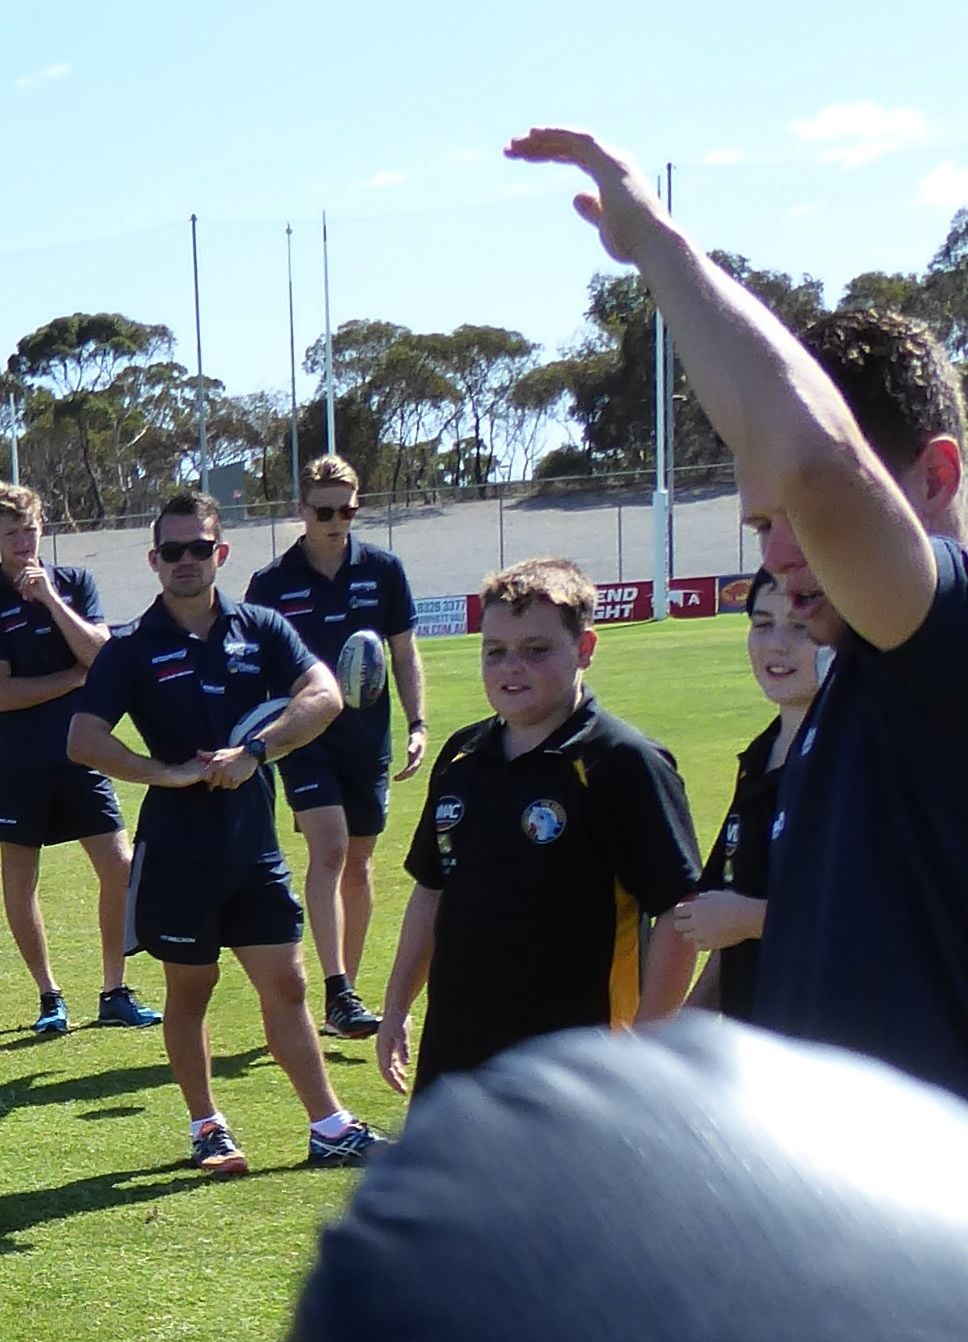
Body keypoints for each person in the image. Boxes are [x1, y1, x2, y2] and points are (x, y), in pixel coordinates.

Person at [508, 132, 968, 1101]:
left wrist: (655, 246)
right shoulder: (857, 688)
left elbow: (813, 459)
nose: (780, 558)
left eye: (806, 518)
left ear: (934, 477)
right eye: (763, 524)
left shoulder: (947, 640)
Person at [67, 496, 376, 1177]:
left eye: (199, 548)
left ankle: (329, 1126)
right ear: (154, 561)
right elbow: (83, 739)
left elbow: (324, 694)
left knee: (288, 984)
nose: (186, 561)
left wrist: (256, 752)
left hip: (253, 845)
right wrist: (167, 773)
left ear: (221, 553)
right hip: (179, 852)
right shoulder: (131, 648)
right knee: (191, 991)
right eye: (172, 551)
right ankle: (207, 1126)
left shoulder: (260, 628)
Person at [374, 560, 700, 1096]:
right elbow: (432, 889)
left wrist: (647, 1049)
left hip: (577, 1065)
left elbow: (679, 911)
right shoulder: (462, 756)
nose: (512, 668)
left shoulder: (621, 762)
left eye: (536, 650)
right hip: (457, 1053)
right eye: (495, 651)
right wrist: (396, 1007)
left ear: (585, 648)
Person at [0, 485, 154, 1036]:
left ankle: (114, 990)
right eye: (11, 533)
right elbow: (1, 693)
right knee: (20, 880)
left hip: (83, 752)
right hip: (17, 761)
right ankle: (49, 996)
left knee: (119, 866)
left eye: (30, 530)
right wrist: (71, 678)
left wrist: (50, 601)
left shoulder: (74, 584)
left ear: (42, 530)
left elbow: (101, 654)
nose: (22, 542)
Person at [243, 458, 428, 1041]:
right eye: (323, 511)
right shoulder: (272, 583)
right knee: (330, 850)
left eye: (346, 510)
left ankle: (342, 995)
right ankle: (338, 990)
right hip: (305, 739)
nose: (335, 521)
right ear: (301, 512)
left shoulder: (384, 570)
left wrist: (418, 722)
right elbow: (254, 666)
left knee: (359, 861)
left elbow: (404, 653)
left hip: (367, 739)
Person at [652, 557, 820, 1021]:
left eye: (800, 628)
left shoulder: (858, 761)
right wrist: (683, 1036)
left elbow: (879, 917)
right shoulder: (759, 759)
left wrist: (752, 918)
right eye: (762, 624)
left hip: (834, 1043)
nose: (777, 645)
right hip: (756, 1046)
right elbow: (727, 938)